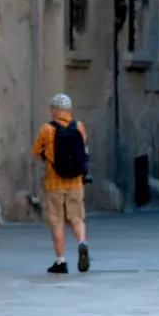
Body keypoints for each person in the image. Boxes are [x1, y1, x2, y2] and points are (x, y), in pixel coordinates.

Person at [30, 93, 92, 276]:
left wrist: (46, 157)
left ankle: (61, 260)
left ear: (53, 110)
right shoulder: (78, 126)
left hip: (53, 182)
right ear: (70, 110)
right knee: (76, 217)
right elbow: (83, 147)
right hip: (75, 182)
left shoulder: (46, 129)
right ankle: (82, 242)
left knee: (56, 221)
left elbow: (36, 151)